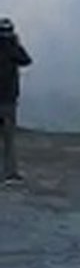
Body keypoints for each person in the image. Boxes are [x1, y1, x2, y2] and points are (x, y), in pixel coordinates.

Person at [0, 17, 32, 181]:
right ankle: (9, 172)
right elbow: (26, 60)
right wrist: (16, 44)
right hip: (8, 100)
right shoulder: (13, 49)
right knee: (8, 140)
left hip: (6, 99)